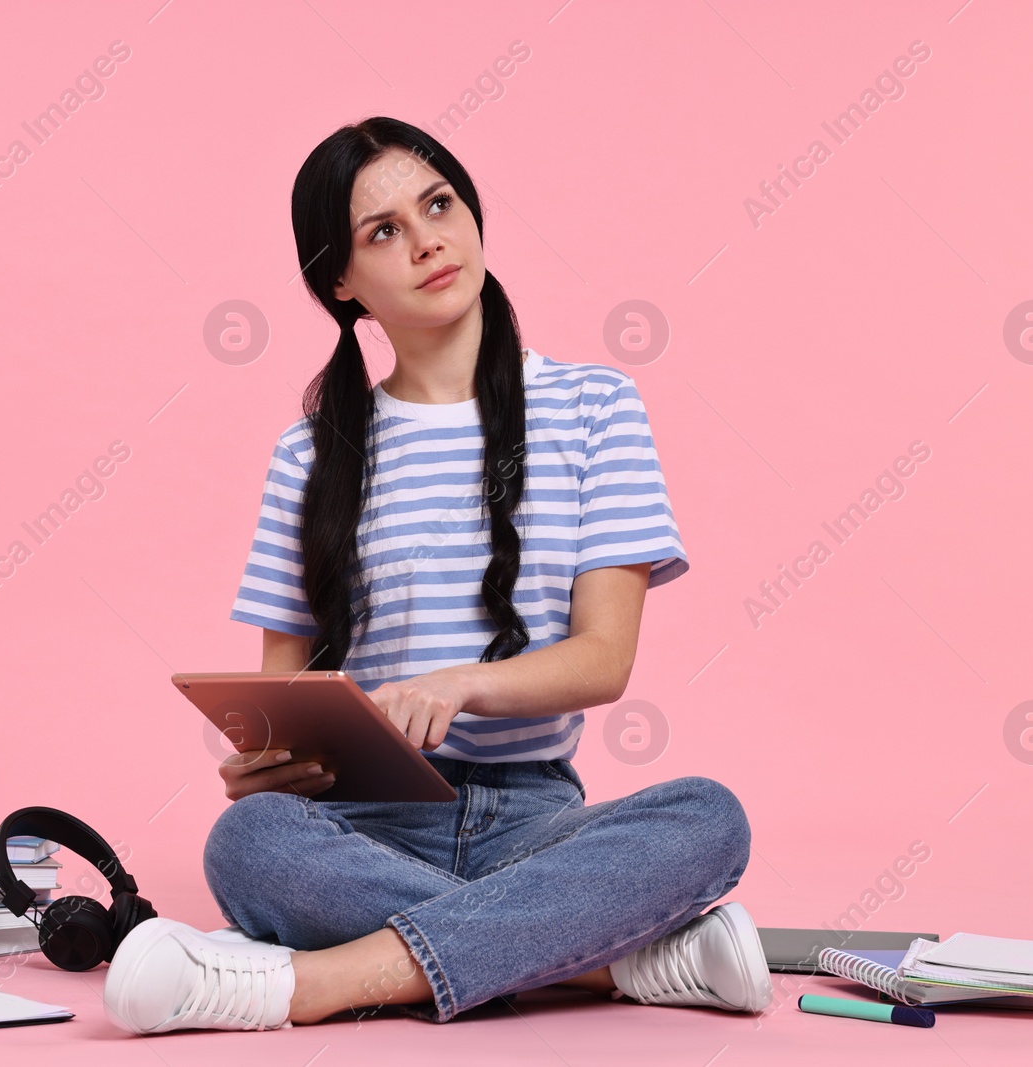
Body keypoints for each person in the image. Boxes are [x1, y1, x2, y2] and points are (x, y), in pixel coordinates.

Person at [102, 116, 771, 1034]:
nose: (427, 242)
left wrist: (463, 684)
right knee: (248, 843)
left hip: (535, 817)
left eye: (439, 204)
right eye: (384, 232)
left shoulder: (594, 407)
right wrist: (267, 762)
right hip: (370, 818)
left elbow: (604, 659)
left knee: (709, 819)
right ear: (341, 283)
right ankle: (601, 958)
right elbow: (285, 688)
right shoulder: (309, 455)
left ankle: (303, 985)